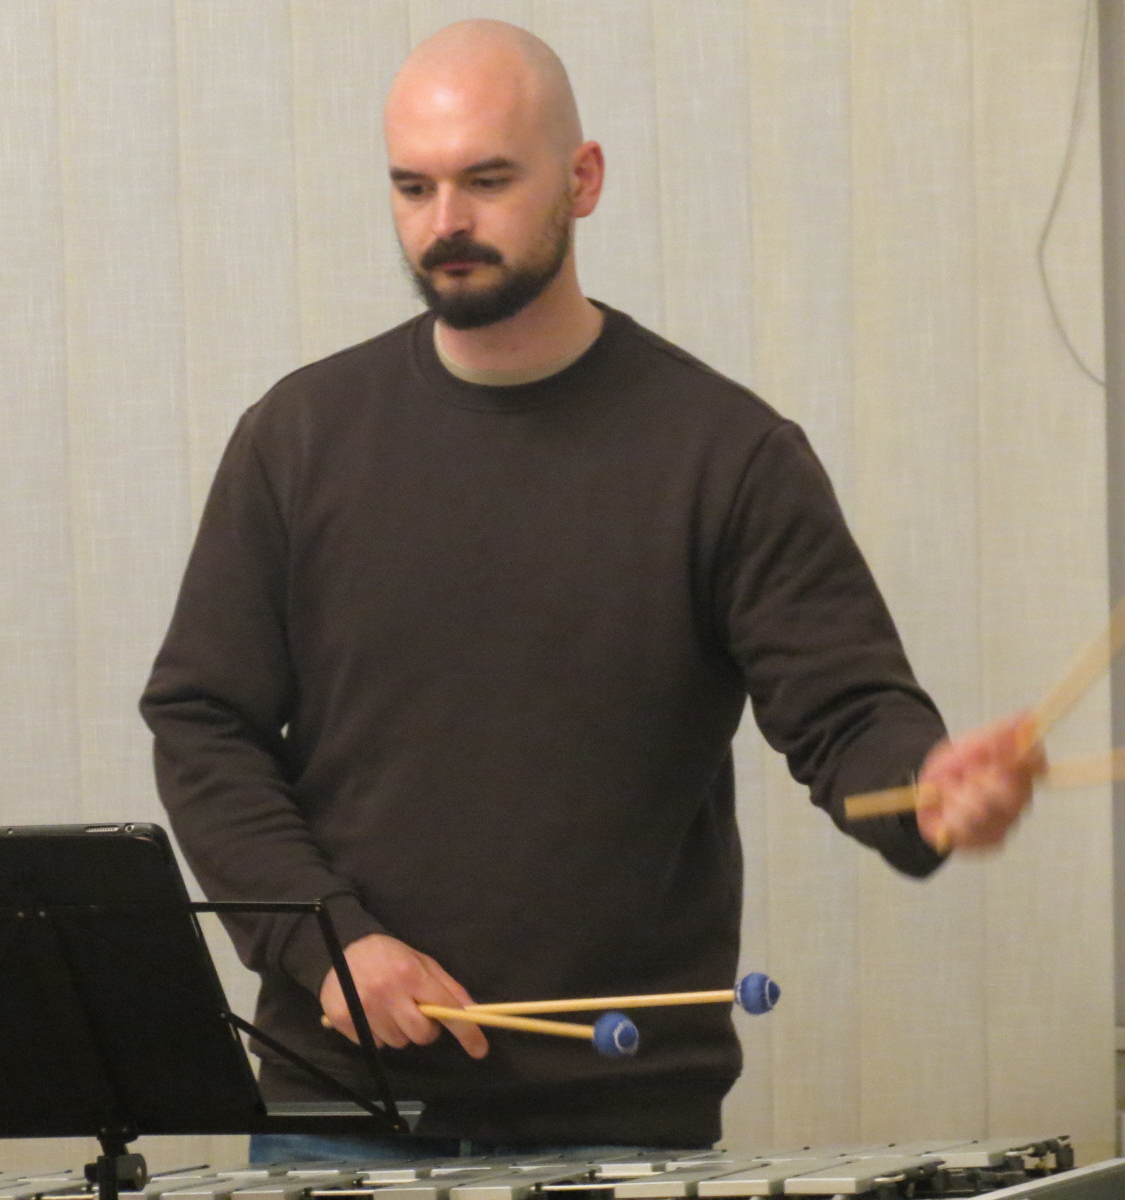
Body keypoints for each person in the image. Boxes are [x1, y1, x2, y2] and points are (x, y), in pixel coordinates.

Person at [139, 19, 1040, 1157]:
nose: (445, 221)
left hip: (616, 1117)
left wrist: (926, 790)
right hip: (343, 1110)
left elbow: (849, 714)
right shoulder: (298, 437)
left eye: (487, 181)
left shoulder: (724, 454)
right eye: (413, 187)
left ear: (583, 179)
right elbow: (203, 724)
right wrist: (332, 945)